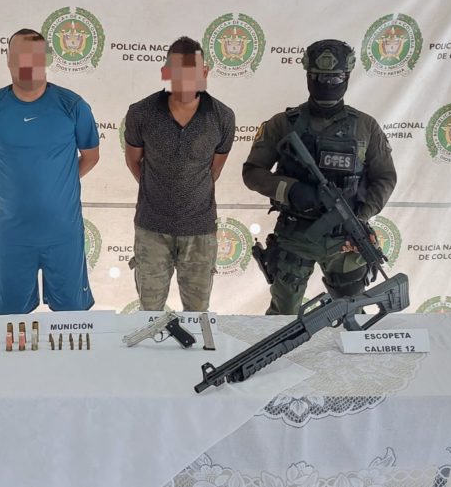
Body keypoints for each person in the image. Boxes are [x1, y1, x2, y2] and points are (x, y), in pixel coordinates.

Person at [243, 39, 397, 315]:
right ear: (307, 76)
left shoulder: (365, 126)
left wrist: (360, 215)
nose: (327, 83)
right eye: (318, 77)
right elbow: (253, 173)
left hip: (346, 240)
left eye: (334, 78)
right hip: (295, 235)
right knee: (283, 317)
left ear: (346, 77)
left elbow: (385, 177)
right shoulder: (283, 123)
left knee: (351, 314)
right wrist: (290, 190)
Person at [0, 28, 100, 315]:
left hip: (64, 234)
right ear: (8, 59)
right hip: (13, 234)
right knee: (10, 320)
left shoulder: (72, 106)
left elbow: (91, 156)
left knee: (71, 319)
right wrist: (17, 180)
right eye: (20, 56)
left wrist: (57, 182)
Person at [124, 36, 236, 312]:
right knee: (149, 314)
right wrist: (160, 189)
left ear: (204, 72)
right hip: (151, 230)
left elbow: (214, 170)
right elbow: (134, 162)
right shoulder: (141, 113)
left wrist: (187, 191)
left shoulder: (222, 117)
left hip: (200, 232)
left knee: (197, 315)